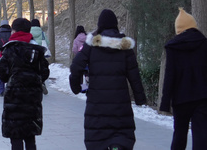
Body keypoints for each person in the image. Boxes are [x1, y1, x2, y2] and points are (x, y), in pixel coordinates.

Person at [69, 9, 146, 150]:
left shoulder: (91, 45)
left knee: (98, 139)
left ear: (100, 26)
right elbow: (134, 75)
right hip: (120, 104)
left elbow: (75, 66)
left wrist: (75, 86)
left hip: (97, 105)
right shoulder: (125, 47)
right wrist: (140, 98)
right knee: (120, 136)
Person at [0, 18, 49, 150]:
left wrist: (11, 78)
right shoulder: (37, 50)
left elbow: (0, 71)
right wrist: (35, 80)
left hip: (14, 97)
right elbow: (45, 72)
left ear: (14, 30)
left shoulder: (10, 49)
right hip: (33, 97)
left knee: (16, 136)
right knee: (30, 136)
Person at [160, 8, 207, 150]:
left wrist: (165, 102)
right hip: (202, 97)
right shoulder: (204, 43)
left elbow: (169, 76)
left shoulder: (173, 47)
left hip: (180, 99)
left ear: (178, 29)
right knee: (201, 135)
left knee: (179, 135)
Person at [30, 19, 50, 95]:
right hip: (41, 54)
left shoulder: (29, 33)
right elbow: (47, 42)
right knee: (41, 68)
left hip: (32, 54)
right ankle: (42, 82)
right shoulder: (42, 33)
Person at [0, 20, 11, 97]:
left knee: (0, 71)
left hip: (0, 54)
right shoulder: (12, 33)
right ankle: (9, 88)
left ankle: (1, 90)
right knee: (10, 71)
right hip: (10, 54)